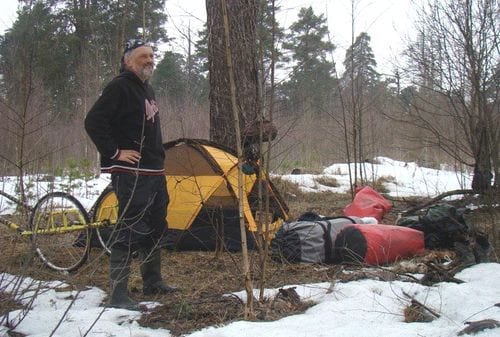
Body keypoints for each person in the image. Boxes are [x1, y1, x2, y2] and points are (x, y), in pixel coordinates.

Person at [85, 38, 178, 311]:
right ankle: (118, 296)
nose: (149, 60)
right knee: (130, 228)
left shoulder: (146, 88)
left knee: (155, 225)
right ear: (128, 60)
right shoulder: (119, 87)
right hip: (131, 172)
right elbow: (93, 121)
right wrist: (114, 153)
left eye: (151, 55)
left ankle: (153, 281)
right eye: (143, 56)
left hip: (154, 171)